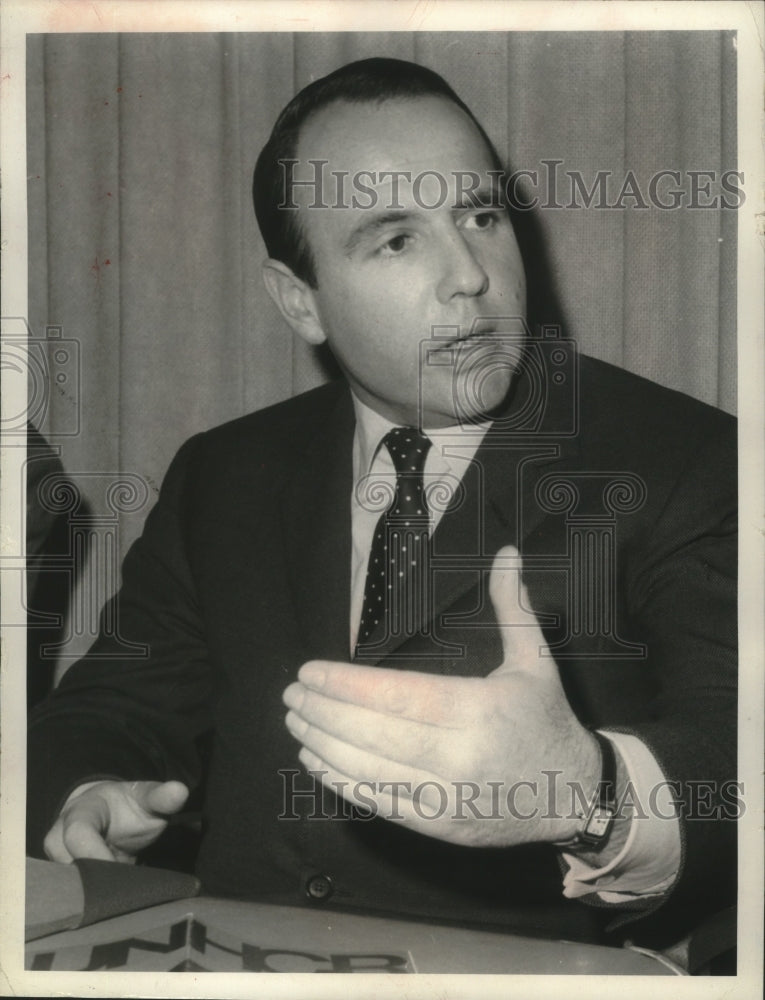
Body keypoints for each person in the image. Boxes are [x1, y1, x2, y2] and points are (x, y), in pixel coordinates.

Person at [27, 58, 737, 947]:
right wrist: (88, 792)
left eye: (480, 216)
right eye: (396, 239)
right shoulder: (224, 471)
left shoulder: (687, 458)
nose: (469, 277)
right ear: (300, 302)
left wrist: (586, 794)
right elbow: (109, 711)